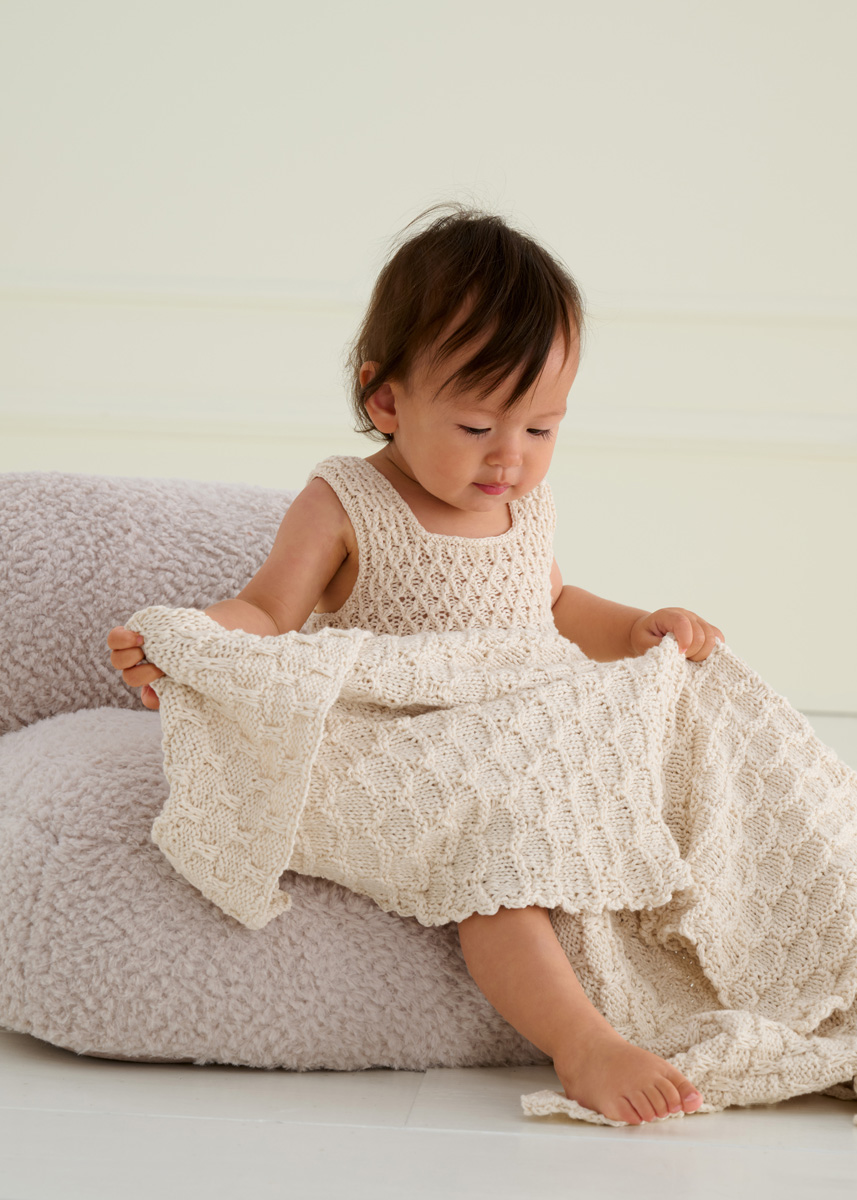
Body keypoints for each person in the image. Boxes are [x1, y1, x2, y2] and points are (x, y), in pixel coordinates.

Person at [107, 202, 726, 1125]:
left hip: (519, 715)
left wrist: (638, 625)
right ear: (386, 400)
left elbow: (554, 607)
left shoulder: (525, 506)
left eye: (541, 429)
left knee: (694, 746)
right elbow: (268, 612)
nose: (510, 458)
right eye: (477, 427)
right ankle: (581, 1040)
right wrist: (196, 641)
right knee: (496, 853)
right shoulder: (345, 500)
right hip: (407, 736)